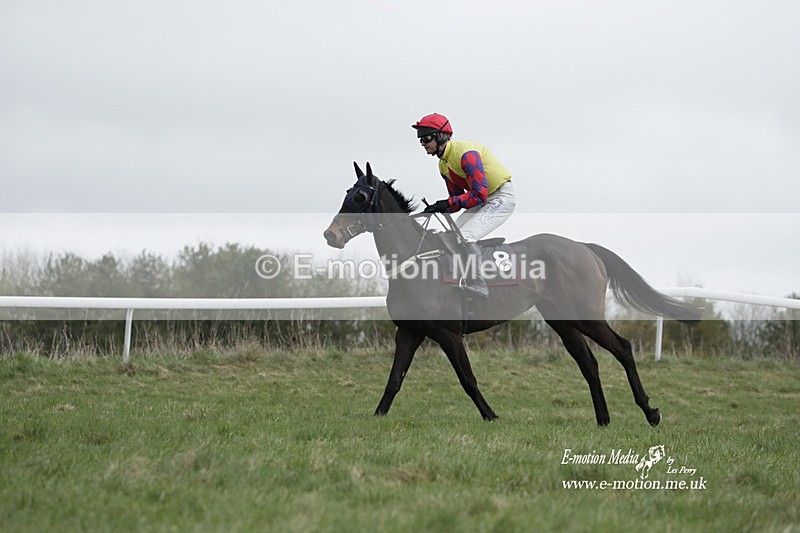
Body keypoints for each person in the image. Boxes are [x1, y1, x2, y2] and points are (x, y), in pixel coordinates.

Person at [412, 113, 516, 299]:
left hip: (500, 197)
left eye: (426, 138)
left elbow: (478, 194)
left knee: (466, 235)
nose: (422, 143)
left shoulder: (466, 154)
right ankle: (459, 277)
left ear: (441, 136)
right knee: (453, 236)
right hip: (483, 200)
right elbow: (457, 200)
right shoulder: (443, 165)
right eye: (420, 139)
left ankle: (479, 284)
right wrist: (439, 207)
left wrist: (448, 203)